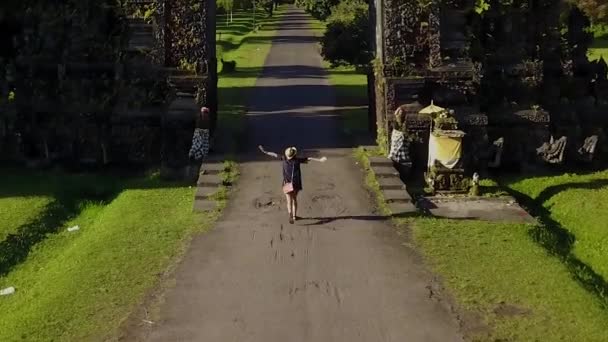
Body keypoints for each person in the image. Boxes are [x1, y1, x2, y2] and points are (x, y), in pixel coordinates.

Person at [258, 145, 327, 224]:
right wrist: (320, 160)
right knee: (294, 200)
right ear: (294, 154)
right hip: (295, 184)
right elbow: (309, 158)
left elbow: (274, 154)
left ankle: (290, 214)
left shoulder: (283, 158)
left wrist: (265, 152)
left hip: (286, 183)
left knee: (288, 201)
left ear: (287, 155)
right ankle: (294, 216)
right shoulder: (297, 160)